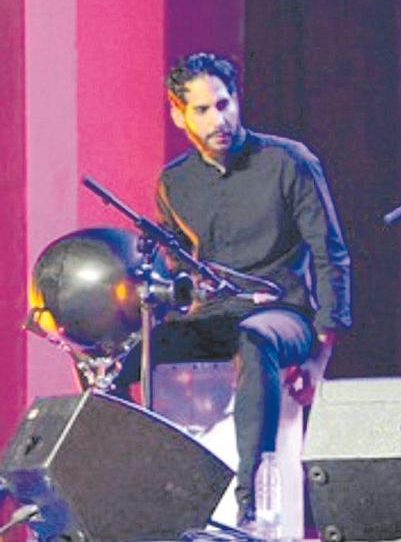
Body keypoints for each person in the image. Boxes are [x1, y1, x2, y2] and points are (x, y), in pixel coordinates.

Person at [112, 52, 351, 527]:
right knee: (122, 359)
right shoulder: (174, 182)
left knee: (255, 337)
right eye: (202, 110)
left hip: (283, 314)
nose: (219, 119)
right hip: (214, 313)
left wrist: (319, 359)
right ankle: (134, 497)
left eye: (224, 103)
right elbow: (178, 268)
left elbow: (331, 254)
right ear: (179, 114)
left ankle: (250, 505)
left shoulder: (288, 160)